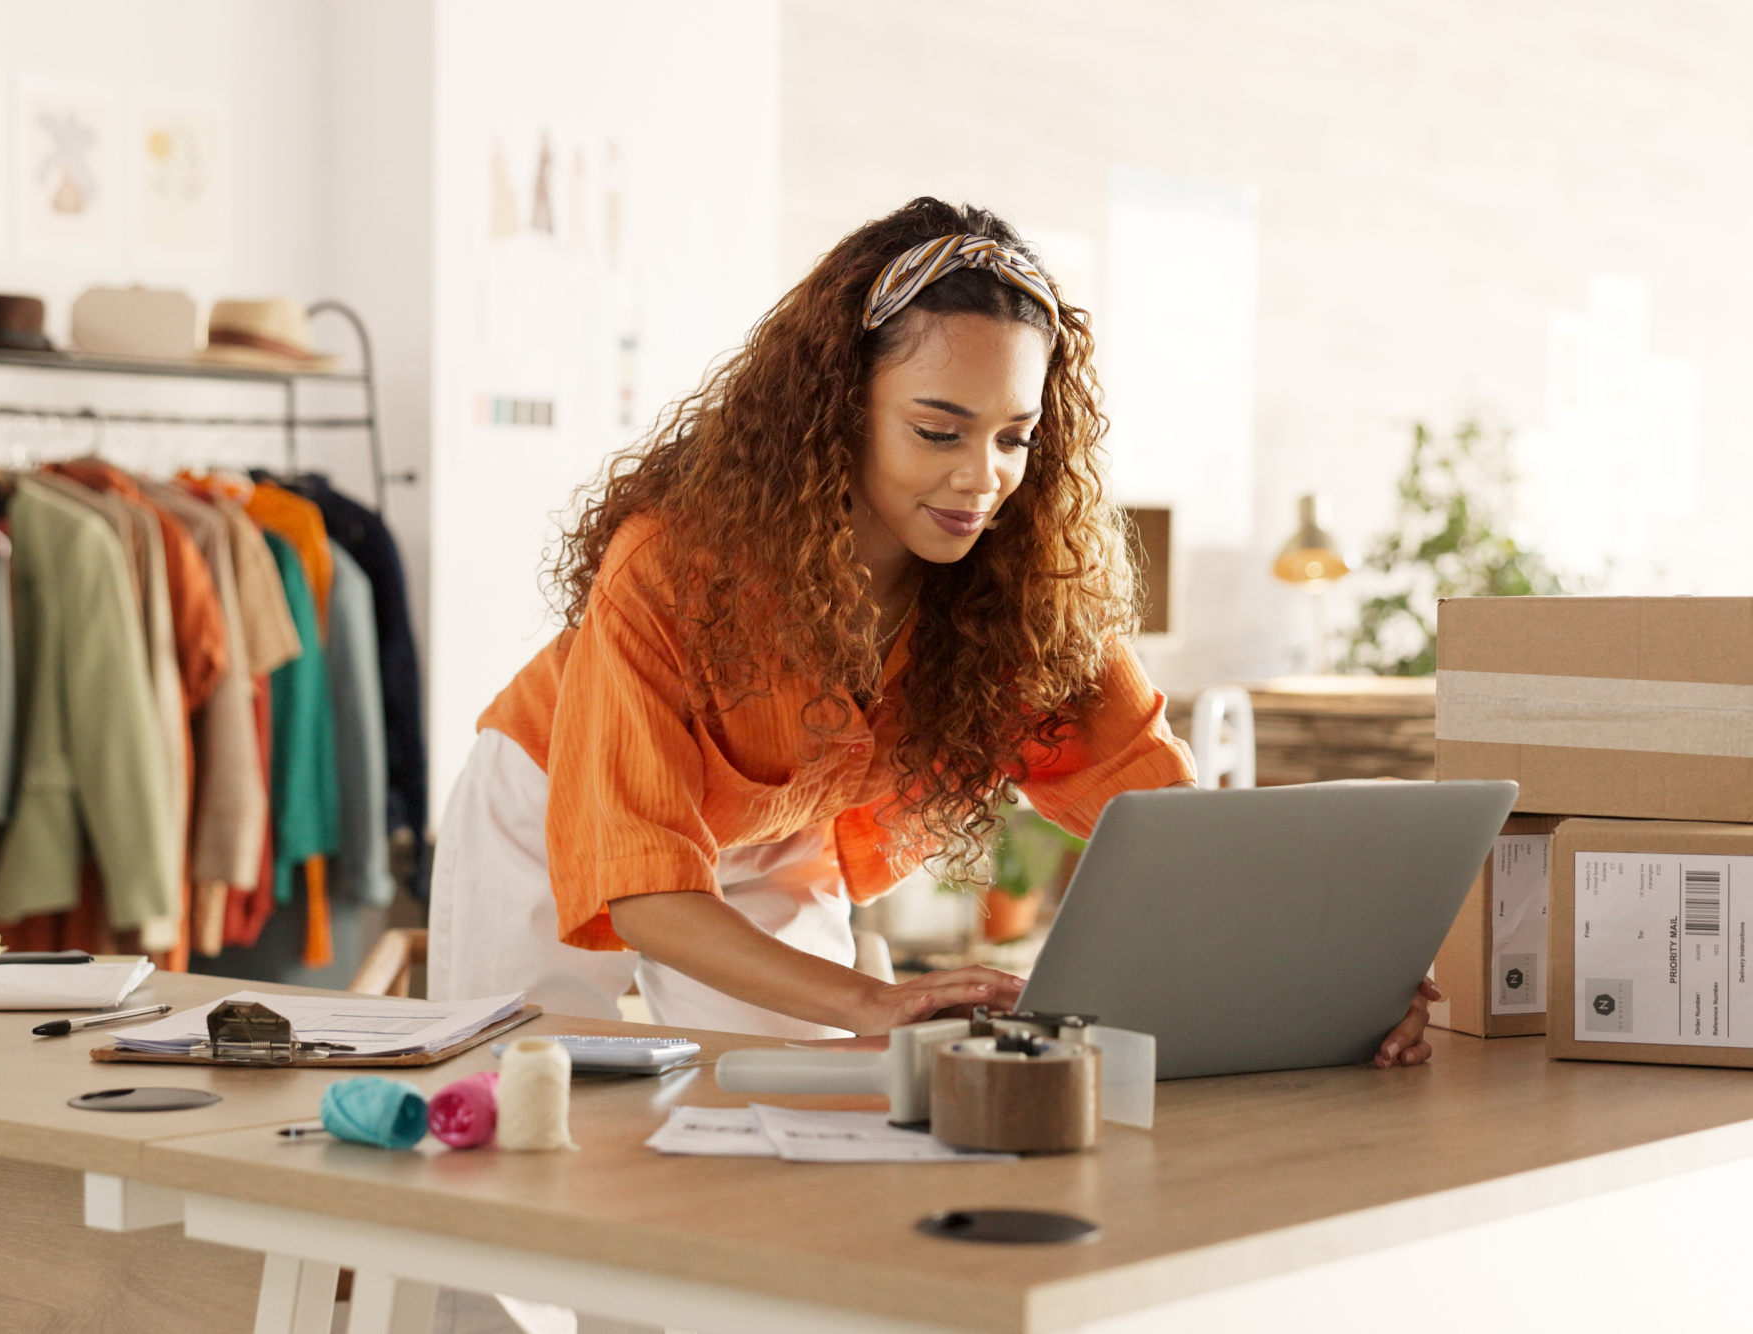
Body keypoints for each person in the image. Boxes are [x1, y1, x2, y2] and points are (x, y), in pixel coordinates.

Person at [432, 197, 1437, 1067]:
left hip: (768, 838)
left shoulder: (1024, 593)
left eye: (1013, 436)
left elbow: (1164, 816)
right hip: (550, 798)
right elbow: (644, 885)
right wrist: (872, 999)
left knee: (798, 1128)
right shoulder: (670, 566)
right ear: (837, 406)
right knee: (514, 1098)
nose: (981, 477)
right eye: (937, 429)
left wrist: (1336, 967)